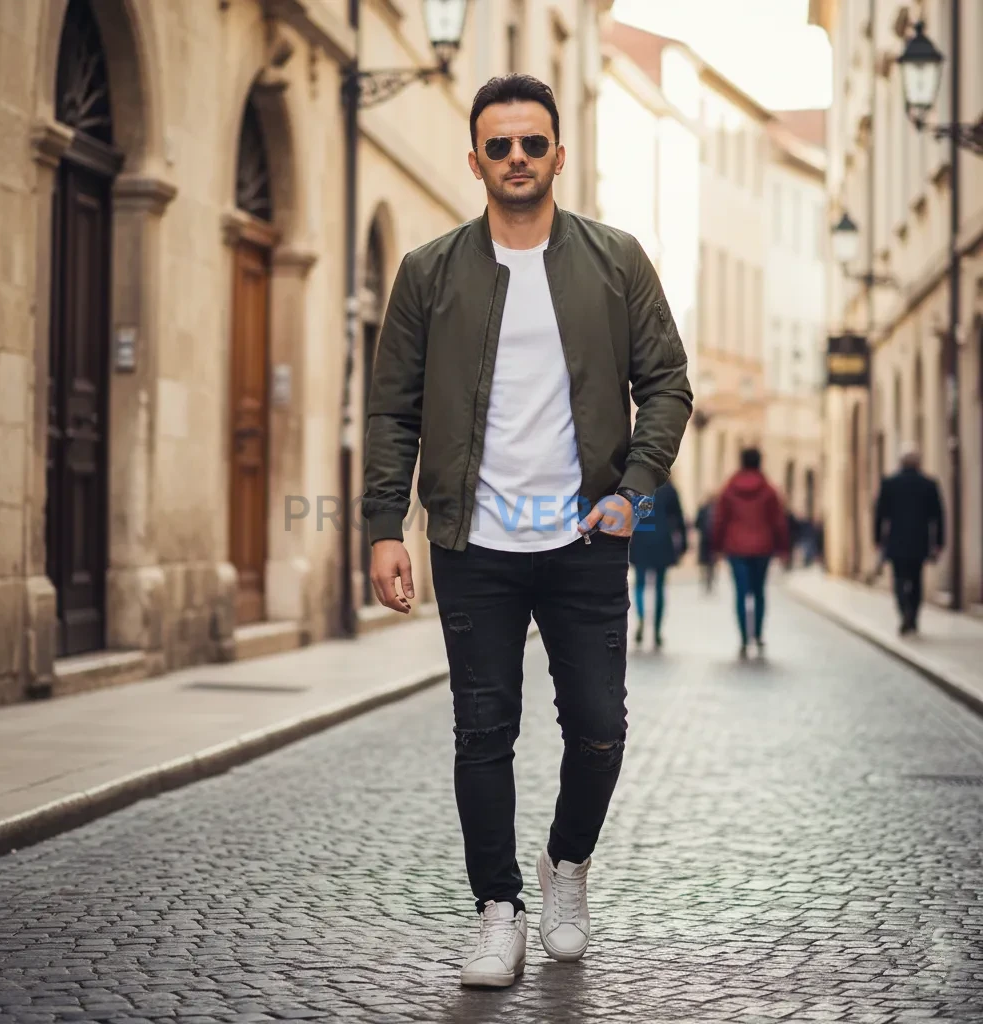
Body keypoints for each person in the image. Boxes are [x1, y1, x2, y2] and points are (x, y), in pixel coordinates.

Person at [361, 73, 692, 988]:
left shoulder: (616, 261)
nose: (516, 159)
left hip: (587, 539)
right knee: (482, 730)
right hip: (474, 544)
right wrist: (385, 524)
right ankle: (497, 911)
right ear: (475, 160)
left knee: (598, 729)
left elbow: (667, 383)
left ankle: (566, 868)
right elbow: (391, 412)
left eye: (531, 144)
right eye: (498, 146)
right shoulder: (428, 271)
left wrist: (634, 487)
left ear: (557, 153)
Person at [711, 447, 790, 659]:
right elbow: (778, 522)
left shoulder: (729, 489)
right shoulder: (769, 490)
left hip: (735, 548)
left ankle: (744, 638)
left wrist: (716, 546)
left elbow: (719, 520)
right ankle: (758, 634)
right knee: (758, 593)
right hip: (763, 547)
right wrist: (783, 548)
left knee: (741, 593)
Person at [873, 442, 944, 635]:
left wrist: (878, 540)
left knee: (898, 579)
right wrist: (938, 543)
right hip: (920, 542)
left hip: (896, 541)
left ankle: (904, 611)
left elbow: (880, 515)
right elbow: (938, 516)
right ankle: (912, 616)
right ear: (919, 463)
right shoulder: (929, 484)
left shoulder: (889, 483)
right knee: (916, 579)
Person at [628, 475, 687, 648]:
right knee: (660, 587)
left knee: (640, 584)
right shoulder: (669, 489)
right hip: (662, 541)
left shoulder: (639, 487)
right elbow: (679, 517)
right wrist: (683, 543)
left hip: (641, 540)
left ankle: (641, 619)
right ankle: (657, 630)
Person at [694, 494, 717, 592]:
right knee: (709, 562)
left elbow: (697, 524)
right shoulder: (715, 510)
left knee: (707, 562)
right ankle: (708, 579)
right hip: (710, 540)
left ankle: (707, 579)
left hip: (707, 539)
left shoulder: (704, 509)